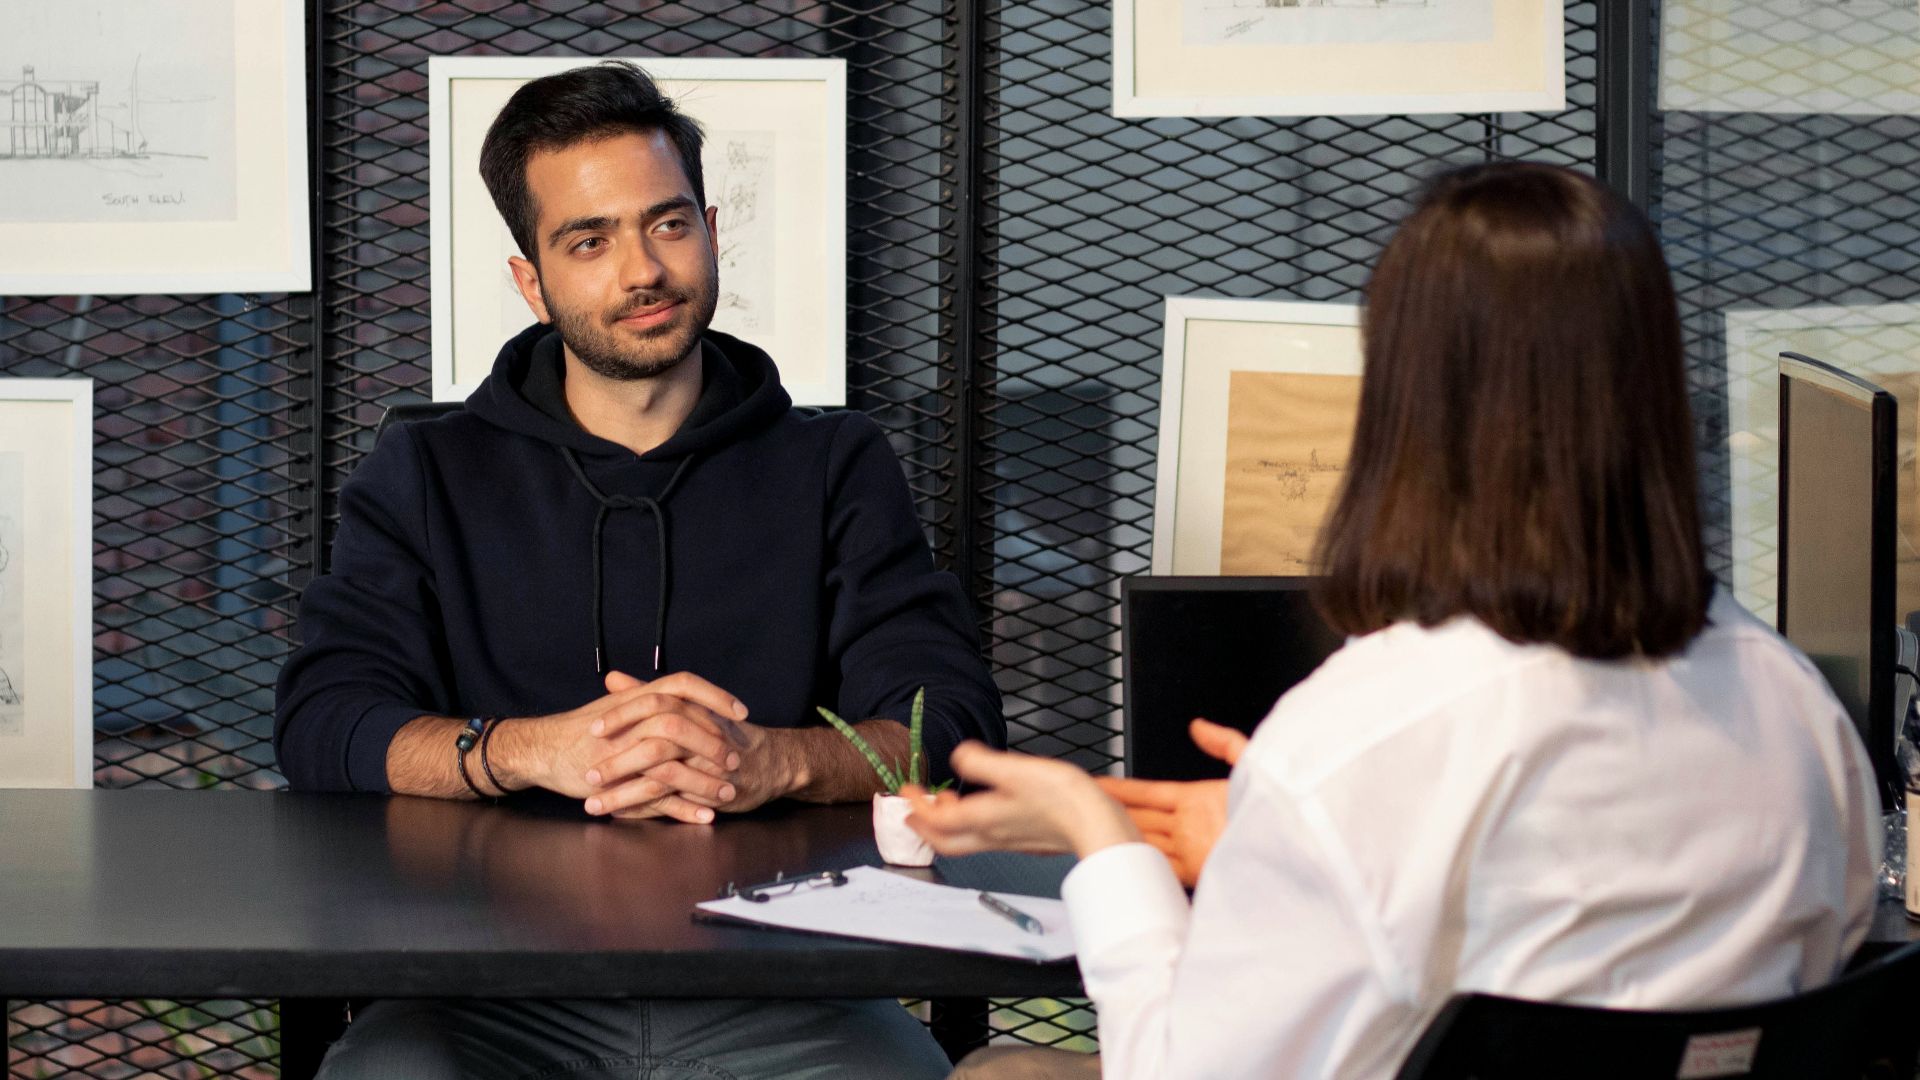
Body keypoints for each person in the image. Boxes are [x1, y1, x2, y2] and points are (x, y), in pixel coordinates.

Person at [913, 161, 1882, 1080]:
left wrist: (1106, 843)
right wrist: (1290, 839)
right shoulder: (1792, 703)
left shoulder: (1366, 735)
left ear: (1404, 401)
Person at [274, 59, 1001, 1080]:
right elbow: (324, 719)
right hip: (485, 992)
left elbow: (950, 720)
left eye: (666, 225)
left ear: (709, 227)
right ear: (531, 278)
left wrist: (772, 762)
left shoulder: (836, 466)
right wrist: (531, 752)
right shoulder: (428, 470)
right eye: (589, 240)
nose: (642, 271)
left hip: (789, 987)